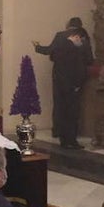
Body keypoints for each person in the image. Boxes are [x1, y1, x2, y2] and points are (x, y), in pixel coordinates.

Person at [33, 16, 93, 149]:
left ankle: (61, 136)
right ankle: (72, 139)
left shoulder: (60, 36)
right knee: (73, 111)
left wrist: (37, 47)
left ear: (68, 26)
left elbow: (49, 51)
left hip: (59, 79)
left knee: (60, 107)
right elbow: (89, 60)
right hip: (75, 80)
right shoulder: (83, 38)